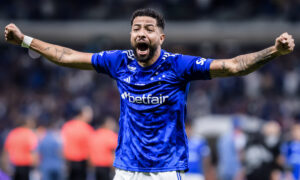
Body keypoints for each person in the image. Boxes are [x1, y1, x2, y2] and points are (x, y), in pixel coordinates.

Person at [4, 8, 295, 180]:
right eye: (136, 29)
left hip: (166, 170)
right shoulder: (118, 61)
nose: (141, 33)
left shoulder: (179, 66)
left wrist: (274, 51)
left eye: (149, 29)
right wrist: (25, 41)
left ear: (161, 37)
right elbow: (66, 56)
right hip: (126, 169)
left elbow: (234, 66)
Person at [61, 105, 94, 180]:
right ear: (82, 114)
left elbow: (62, 144)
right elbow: (90, 148)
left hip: (68, 162)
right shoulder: (87, 129)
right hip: (81, 162)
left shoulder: (67, 126)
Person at [89, 116, 118, 180]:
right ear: (106, 124)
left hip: (95, 166)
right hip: (107, 166)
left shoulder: (94, 134)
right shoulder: (111, 135)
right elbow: (114, 152)